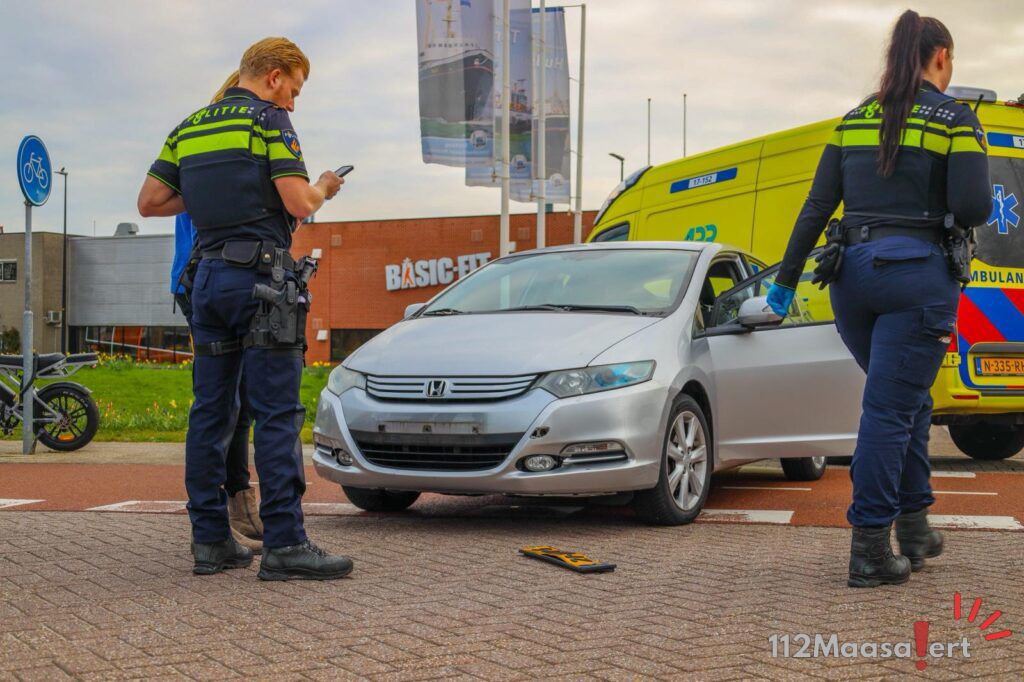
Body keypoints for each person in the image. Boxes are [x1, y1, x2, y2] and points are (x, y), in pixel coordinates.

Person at [767, 10, 990, 587]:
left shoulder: (854, 119)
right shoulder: (956, 119)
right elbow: (972, 209)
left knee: (907, 402)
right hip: (915, 279)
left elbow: (816, 208)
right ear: (940, 56)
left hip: (851, 280)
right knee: (890, 411)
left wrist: (785, 281)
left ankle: (914, 528)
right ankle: (869, 547)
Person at [138, 37, 351, 580]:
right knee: (276, 414)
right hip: (262, 282)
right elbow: (299, 202)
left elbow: (151, 202)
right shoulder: (270, 121)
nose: (294, 103)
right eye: (295, 89)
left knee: (211, 413)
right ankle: (285, 544)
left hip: (206, 279)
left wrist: (215, 192)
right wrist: (324, 185)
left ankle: (211, 542)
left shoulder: (189, 126)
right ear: (275, 76)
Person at [171, 70, 263, 555]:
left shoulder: (194, 146)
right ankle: (232, 509)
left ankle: (222, 520)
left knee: (225, 403)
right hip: (214, 278)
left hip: (199, 282)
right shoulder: (227, 153)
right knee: (234, 402)